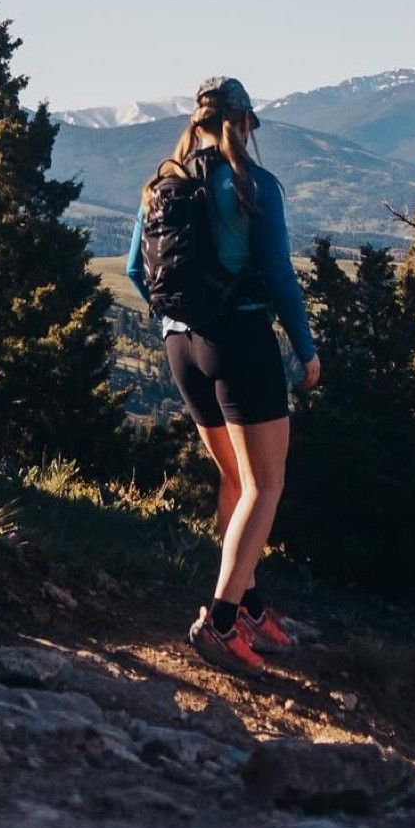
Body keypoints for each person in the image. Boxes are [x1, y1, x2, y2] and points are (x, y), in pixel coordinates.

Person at [126, 74, 321, 673]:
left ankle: (252, 605)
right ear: (242, 123)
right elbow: (280, 276)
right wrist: (307, 350)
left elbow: (137, 269)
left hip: (180, 347)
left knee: (235, 480)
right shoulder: (253, 186)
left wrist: (181, 317)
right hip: (238, 340)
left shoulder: (161, 185)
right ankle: (221, 620)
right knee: (265, 483)